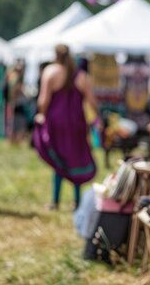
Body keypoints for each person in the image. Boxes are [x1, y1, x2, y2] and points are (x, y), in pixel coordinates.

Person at [33, 45, 98, 210]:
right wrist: (97, 118)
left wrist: (41, 114)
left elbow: (43, 101)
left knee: (59, 161)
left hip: (56, 124)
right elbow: (92, 101)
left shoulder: (50, 72)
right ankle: (77, 200)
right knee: (75, 158)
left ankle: (55, 201)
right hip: (76, 124)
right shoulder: (81, 76)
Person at [7, 60, 29, 145]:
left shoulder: (13, 76)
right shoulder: (15, 77)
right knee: (17, 123)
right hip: (16, 103)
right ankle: (15, 140)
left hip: (15, 103)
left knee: (15, 122)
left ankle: (14, 140)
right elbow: (14, 91)